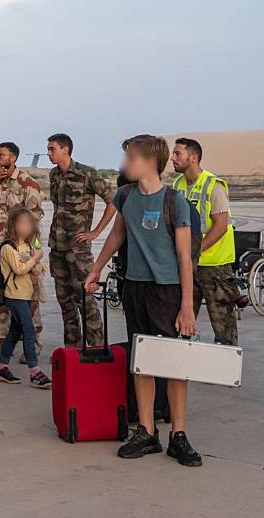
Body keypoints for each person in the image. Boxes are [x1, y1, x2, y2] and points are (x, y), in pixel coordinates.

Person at [86, 135, 202, 467]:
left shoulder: (174, 202)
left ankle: (178, 435)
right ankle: (146, 431)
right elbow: (118, 234)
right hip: (134, 288)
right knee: (142, 361)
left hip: (166, 291)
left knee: (174, 363)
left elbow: (184, 258)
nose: (125, 164)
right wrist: (96, 269)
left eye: (130, 157)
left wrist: (187, 306)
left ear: (150, 161)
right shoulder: (126, 196)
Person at [45, 133, 115, 347]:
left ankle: (95, 348)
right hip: (57, 247)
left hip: (78, 250)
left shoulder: (87, 174)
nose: (48, 153)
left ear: (65, 149)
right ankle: (72, 351)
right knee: (65, 302)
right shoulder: (54, 175)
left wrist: (96, 232)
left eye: (52, 149)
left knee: (85, 300)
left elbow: (113, 202)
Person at [170, 138, 239, 346]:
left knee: (223, 323)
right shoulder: (177, 184)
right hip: (188, 265)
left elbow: (221, 225)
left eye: (177, 154)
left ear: (193, 157)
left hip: (214, 266)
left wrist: (195, 250)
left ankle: (227, 370)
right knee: (181, 320)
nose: (172, 158)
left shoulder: (213, 185)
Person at [0, 142, 44, 359]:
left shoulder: (27, 183)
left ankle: (32, 344)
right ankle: (0, 339)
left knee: (27, 295)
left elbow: (34, 218)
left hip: (21, 249)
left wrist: (25, 250)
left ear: (13, 158)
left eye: (1, 155)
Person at [0, 208, 52, 389]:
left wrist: (38, 265)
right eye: (23, 223)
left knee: (15, 332)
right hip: (14, 296)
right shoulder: (8, 248)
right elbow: (19, 269)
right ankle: (34, 372)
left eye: (30, 223)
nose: (27, 227)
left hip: (26, 295)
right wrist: (34, 259)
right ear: (13, 225)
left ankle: (1, 367)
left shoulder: (28, 245)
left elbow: (34, 267)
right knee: (29, 330)